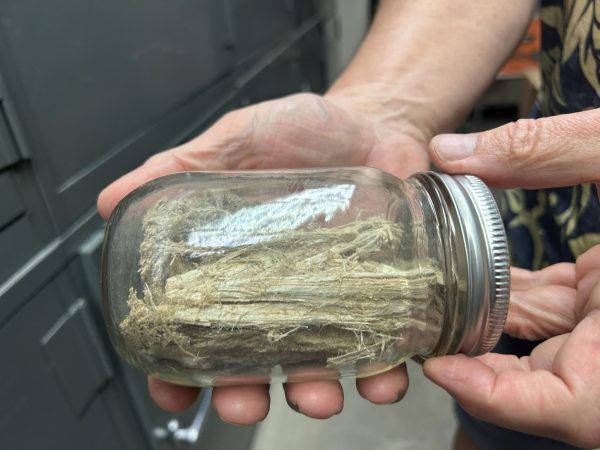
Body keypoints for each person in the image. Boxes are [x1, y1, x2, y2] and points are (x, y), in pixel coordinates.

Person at [97, 1, 600, 448]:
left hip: (523, 326)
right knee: (492, 427)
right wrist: (386, 109)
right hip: (527, 248)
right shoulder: (383, 196)